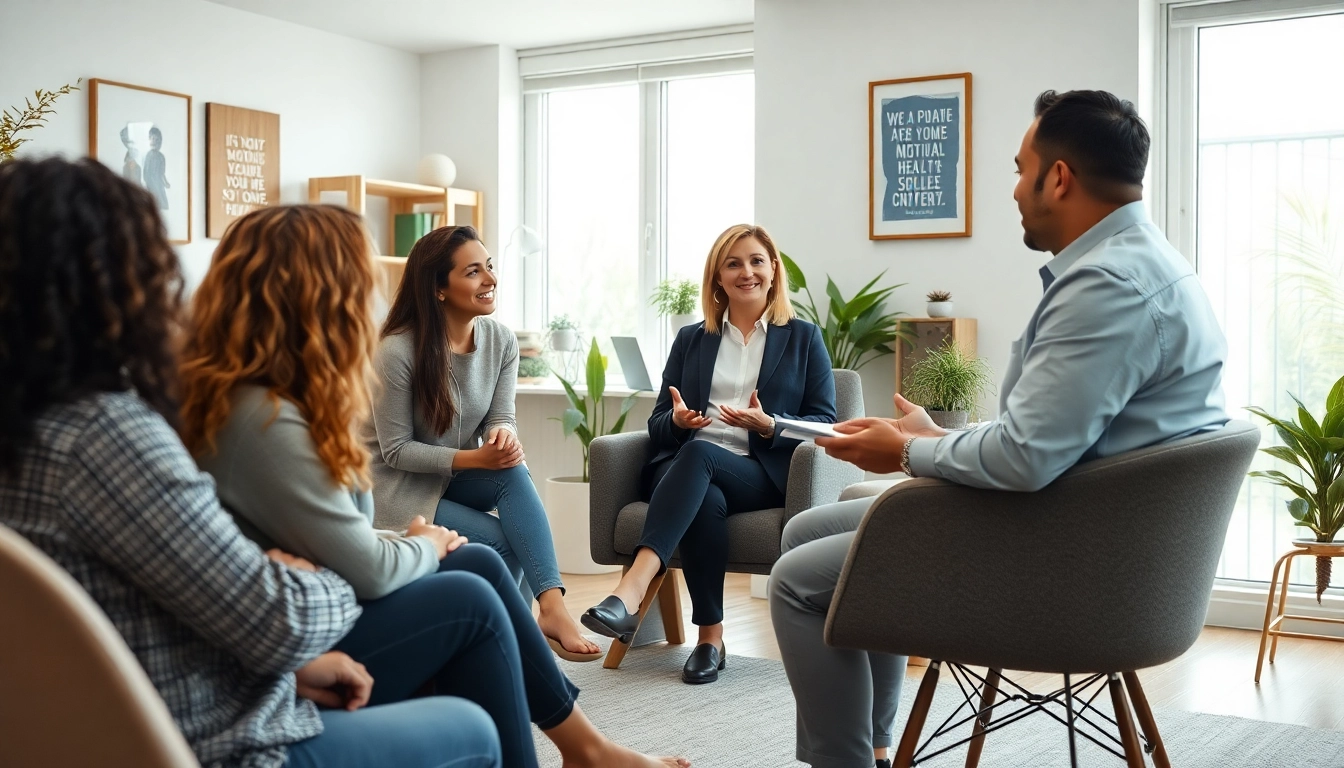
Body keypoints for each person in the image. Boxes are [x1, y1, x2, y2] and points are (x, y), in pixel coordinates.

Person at [769, 89, 1229, 768]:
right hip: (1100, 533)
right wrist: (932, 438)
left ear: (1059, 177)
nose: (1014, 189)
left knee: (794, 579)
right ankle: (875, 745)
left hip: (1070, 563)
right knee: (809, 531)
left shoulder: (1105, 286)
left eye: (1020, 169)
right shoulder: (1148, 263)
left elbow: (1025, 459)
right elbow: (1058, 434)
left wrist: (908, 452)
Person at [0, 157, 502, 768]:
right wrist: (315, 576)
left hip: (99, 723)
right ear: (115, 285)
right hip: (212, 736)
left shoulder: (34, 430)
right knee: (472, 725)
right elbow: (279, 620)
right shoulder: (109, 436)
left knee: (466, 587)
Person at [181, 205, 688, 768]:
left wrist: (498, 444)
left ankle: (577, 716)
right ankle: (571, 723)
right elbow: (367, 544)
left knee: (486, 550)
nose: (365, 306)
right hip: (357, 554)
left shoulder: (281, 402)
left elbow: (336, 538)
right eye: (355, 287)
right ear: (317, 299)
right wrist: (420, 543)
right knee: (475, 585)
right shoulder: (272, 416)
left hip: (349, 569)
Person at [583, 223, 837, 684]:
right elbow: (658, 422)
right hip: (686, 470)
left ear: (773, 270)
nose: (746, 272)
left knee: (702, 459)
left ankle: (633, 587)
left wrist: (770, 424)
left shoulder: (804, 338)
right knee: (704, 489)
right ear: (718, 277)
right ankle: (709, 639)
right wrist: (679, 422)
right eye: (733, 264)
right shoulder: (692, 339)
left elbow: (825, 422)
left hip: (757, 473)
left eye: (756, 261)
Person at [364, 224, 601, 663]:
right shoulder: (396, 352)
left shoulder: (500, 340)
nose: (490, 279)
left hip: (452, 476)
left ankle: (548, 611)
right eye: (473, 272)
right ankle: (512, 645)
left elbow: (501, 415)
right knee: (503, 540)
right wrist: (477, 457)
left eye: (489, 266)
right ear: (438, 288)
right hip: (398, 488)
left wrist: (503, 436)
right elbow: (396, 451)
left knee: (513, 470)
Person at [143, 125, 169, 210]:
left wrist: (166, 182)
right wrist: (148, 183)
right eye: (153, 139)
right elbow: (145, 172)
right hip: (151, 182)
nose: (155, 142)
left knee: (162, 201)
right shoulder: (149, 155)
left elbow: (162, 173)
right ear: (149, 140)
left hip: (159, 183)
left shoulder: (161, 157)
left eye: (157, 140)